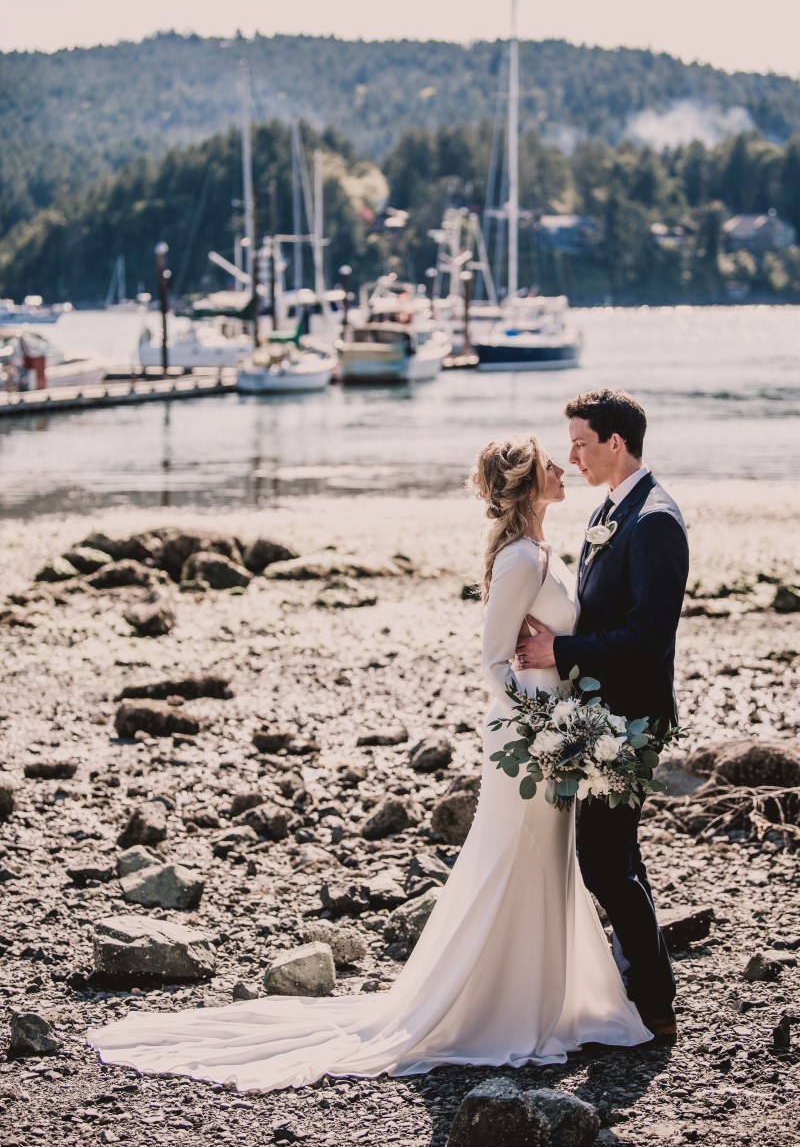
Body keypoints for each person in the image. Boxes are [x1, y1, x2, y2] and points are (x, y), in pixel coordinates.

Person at [88, 434, 650, 1092]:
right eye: (551, 463)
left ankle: (549, 1001)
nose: (563, 468)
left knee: (548, 866)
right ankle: (499, 1009)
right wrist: (553, 721)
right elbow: (494, 663)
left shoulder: (540, 550)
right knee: (512, 863)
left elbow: (553, 644)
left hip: (552, 734)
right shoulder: (521, 559)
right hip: (529, 740)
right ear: (530, 483)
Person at [515, 390, 689, 1042]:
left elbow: (648, 636)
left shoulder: (656, 522)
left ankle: (654, 1001)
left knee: (603, 862)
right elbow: (602, 612)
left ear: (617, 443)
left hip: (633, 717)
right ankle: (643, 983)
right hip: (600, 712)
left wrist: (557, 647)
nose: (571, 456)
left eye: (581, 443)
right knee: (618, 853)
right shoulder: (611, 512)